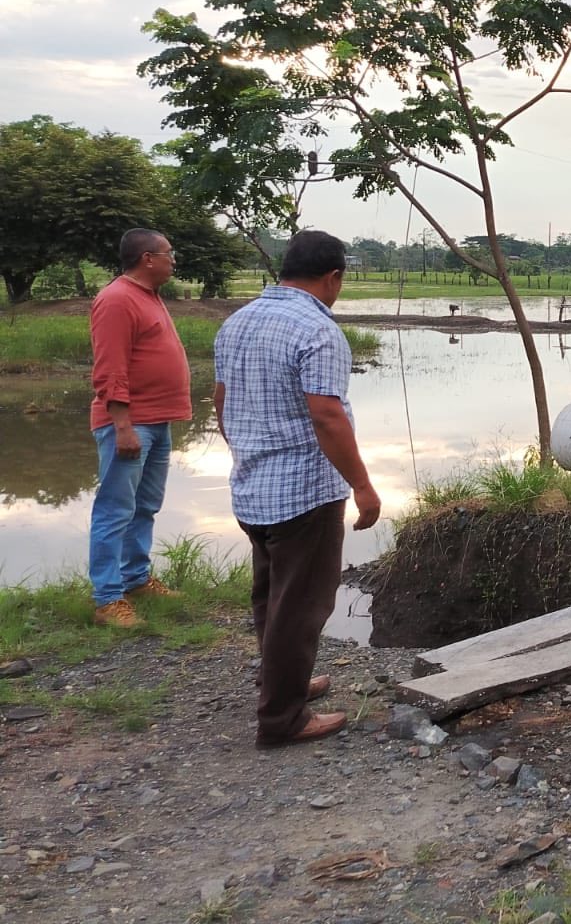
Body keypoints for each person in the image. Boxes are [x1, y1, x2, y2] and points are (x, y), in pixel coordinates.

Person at [214, 230, 381, 749]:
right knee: (301, 606)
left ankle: (281, 682)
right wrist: (363, 486)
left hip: (252, 488)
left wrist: (245, 452)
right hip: (304, 493)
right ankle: (282, 719)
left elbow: (221, 400)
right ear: (333, 277)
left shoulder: (238, 321)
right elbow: (326, 415)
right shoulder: (318, 329)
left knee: (272, 596)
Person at [86, 229, 193, 627]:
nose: (173, 260)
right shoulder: (117, 299)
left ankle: (135, 579)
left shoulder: (149, 296)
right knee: (115, 509)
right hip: (131, 424)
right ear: (148, 258)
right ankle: (107, 599)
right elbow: (110, 367)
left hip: (156, 421)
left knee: (144, 506)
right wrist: (122, 425)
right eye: (169, 253)